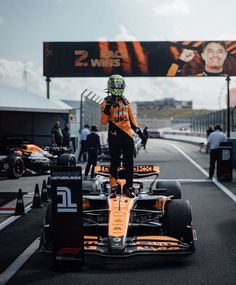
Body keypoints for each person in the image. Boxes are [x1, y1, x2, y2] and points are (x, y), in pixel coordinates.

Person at [101, 74, 147, 198]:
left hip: (127, 136)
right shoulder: (105, 102)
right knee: (115, 162)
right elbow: (104, 121)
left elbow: (132, 121)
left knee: (129, 162)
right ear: (110, 86)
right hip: (114, 136)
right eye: (115, 85)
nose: (118, 87)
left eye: (120, 85)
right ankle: (113, 189)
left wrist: (141, 134)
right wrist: (107, 109)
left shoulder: (126, 102)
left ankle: (129, 188)